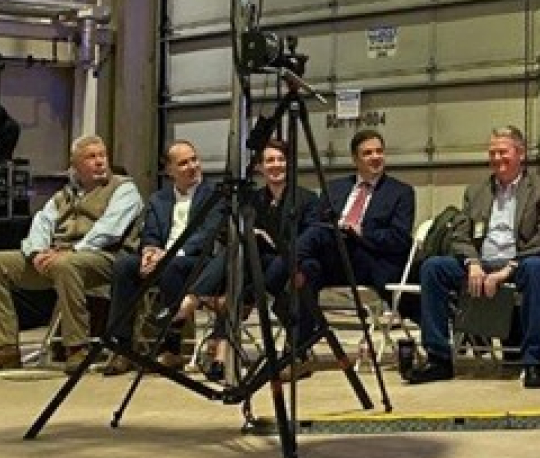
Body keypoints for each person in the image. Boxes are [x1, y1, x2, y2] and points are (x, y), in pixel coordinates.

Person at [407, 125, 540, 389]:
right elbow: (460, 235)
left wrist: (508, 269)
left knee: (537, 268)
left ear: (520, 154)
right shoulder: (476, 191)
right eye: (492, 153)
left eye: (503, 152)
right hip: (483, 261)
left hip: (521, 260)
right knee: (433, 267)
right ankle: (438, 358)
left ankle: (532, 361)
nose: (497, 159)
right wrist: (473, 263)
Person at [166, 138, 320, 381]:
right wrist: (251, 235)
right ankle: (220, 355)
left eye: (281, 159)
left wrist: (268, 240)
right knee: (240, 258)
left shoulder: (308, 199)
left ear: (289, 164)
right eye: (270, 160)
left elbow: (311, 238)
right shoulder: (254, 200)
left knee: (241, 271)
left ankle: (192, 304)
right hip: (254, 267)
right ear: (259, 167)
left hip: (288, 265)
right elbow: (227, 232)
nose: (276, 165)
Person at [0, 135, 142, 373]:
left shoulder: (124, 189)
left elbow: (109, 231)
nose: (100, 162)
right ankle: (5, 347)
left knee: (67, 265)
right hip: (58, 256)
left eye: (103, 156)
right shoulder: (63, 196)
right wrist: (37, 252)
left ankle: (76, 348)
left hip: (105, 258)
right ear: (76, 165)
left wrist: (71, 250)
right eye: (91, 157)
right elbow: (41, 224)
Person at [266, 128, 414, 348]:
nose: (375, 157)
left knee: (319, 233)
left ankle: (269, 282)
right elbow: (317, 221)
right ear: (355, 159)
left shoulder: (401, 192)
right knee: (307, 268)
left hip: (367, 260)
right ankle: (297, 350)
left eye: (379, 152)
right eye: (368, 153)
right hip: (332, 259)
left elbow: (399, 239)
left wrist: (360, 231)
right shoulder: (335, 188)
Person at [103, 139, 227, 374]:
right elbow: (150, 234)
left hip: (198, 261)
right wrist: (149, 252)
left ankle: (171, 347)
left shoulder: (214, 196)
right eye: (183, 163)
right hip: (163, 259)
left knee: (173, 267)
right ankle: (122, 347)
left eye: (194, 160)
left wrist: (168, 255)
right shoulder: (158, 200)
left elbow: (207, 235)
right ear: (169, 170)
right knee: (124, 266)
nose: (192, 166)